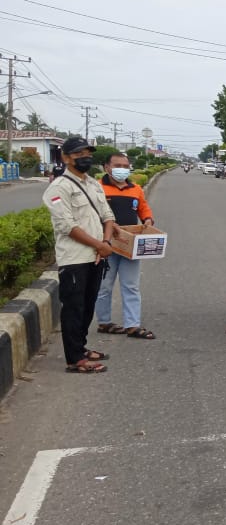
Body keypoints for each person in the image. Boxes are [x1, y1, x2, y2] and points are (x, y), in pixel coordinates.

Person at [42, 136, 116, 374]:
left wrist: (104, 243)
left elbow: (107, 215)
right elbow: (67, 226)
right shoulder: (58, 188)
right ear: (65, 158)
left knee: (87, 305)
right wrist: (99, 245)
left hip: (96, 255)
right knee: (73, 308)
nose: (85, 158)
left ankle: (81, 348)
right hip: (74, 259)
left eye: (87, 153)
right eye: (78, 154)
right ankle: (74, 359)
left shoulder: (93, 184)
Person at [96, 153, 157, 339]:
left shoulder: (135, 189)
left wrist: (147, 220)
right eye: (117, 165)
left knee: (131, 285)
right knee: (104, 286)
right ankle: (104, 322)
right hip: (106, 244)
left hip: (130, 244)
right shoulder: (97, 188)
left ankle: (132, 325)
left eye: (125, 165)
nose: (122, 169)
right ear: (107, 167)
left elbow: (143, 208)